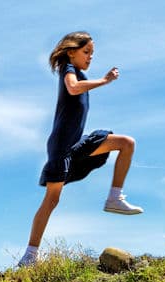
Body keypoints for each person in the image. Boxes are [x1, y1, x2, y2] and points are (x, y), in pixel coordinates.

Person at [18, 32, 143, 267]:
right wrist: (104, 81)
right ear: (71, 52)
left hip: (77, 143)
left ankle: (114, 198)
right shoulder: (68, 70)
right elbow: (73, 88)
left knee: (126, 143)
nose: (90, 57)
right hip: (61, 146)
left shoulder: (79, 73)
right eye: (86, 52)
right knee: (51, 200)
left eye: (92, 53)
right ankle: (30, 256)